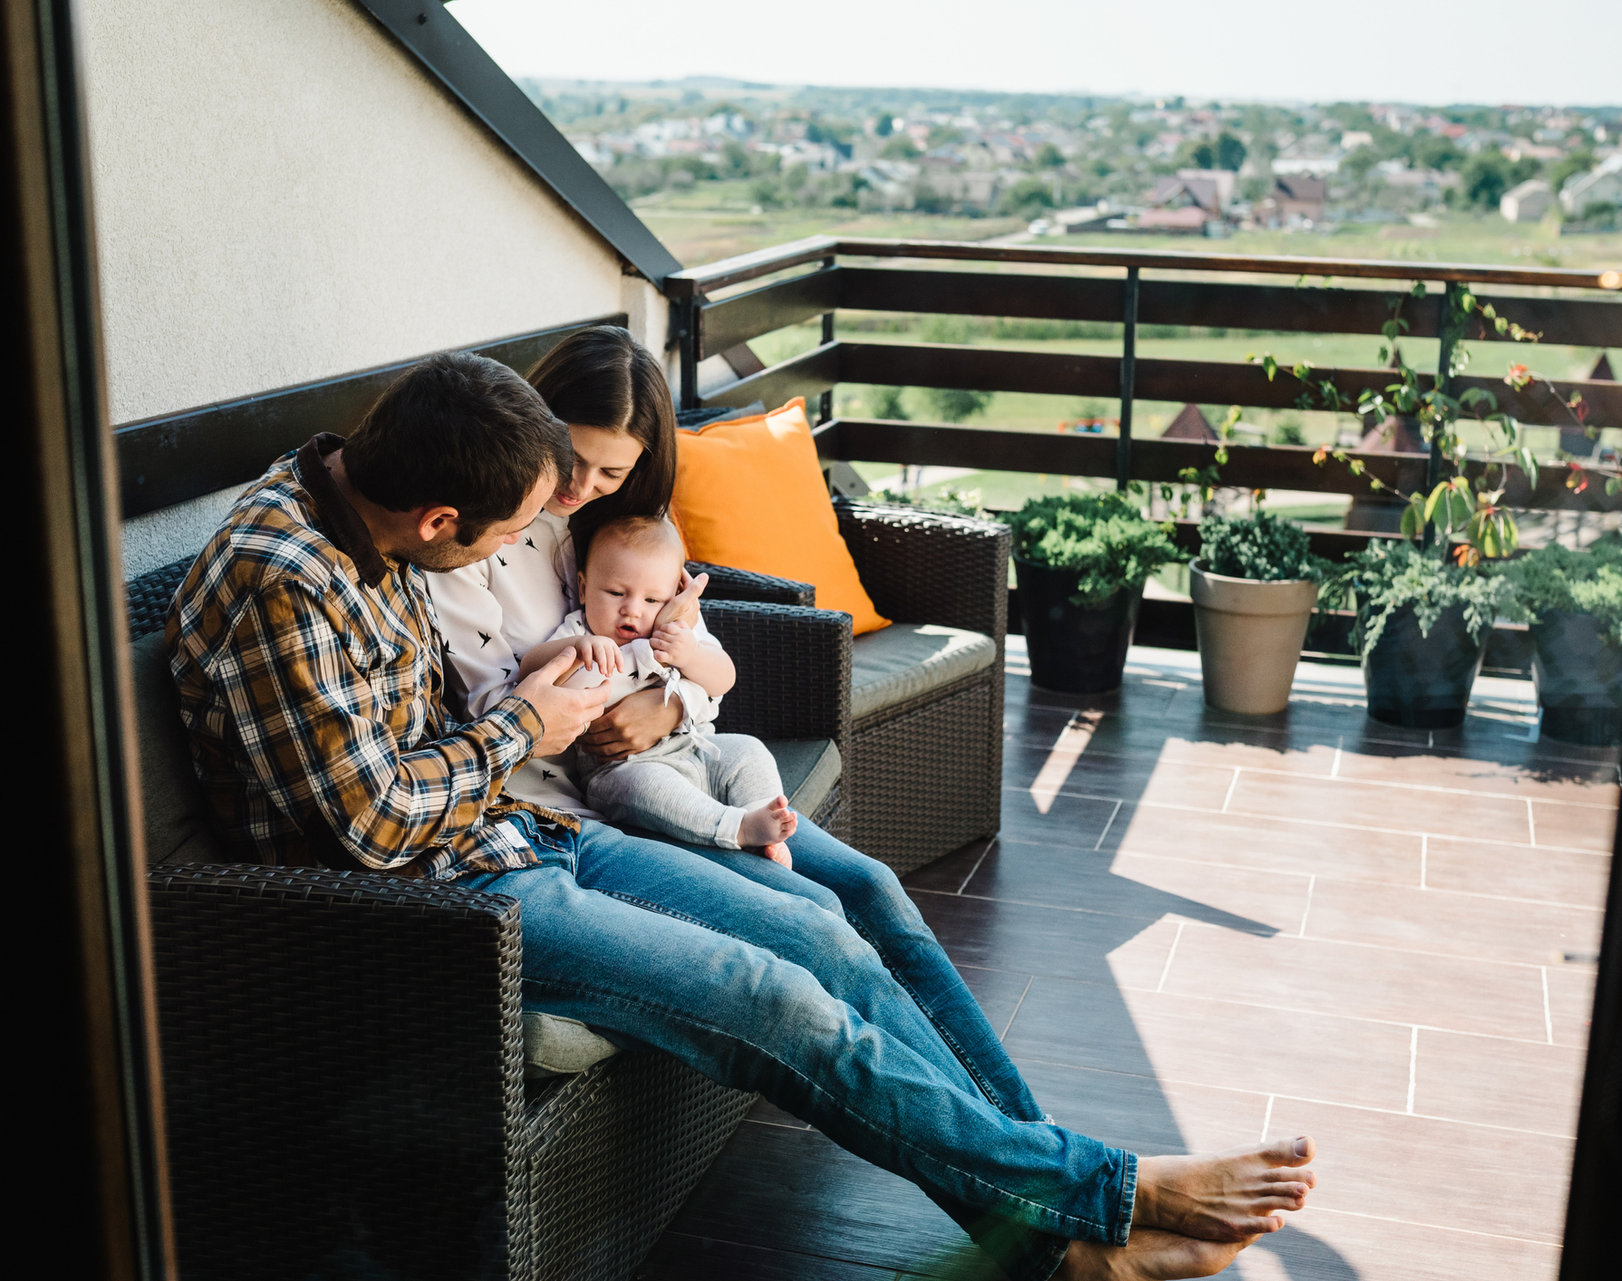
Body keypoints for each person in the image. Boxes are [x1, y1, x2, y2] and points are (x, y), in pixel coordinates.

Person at [170, 346, 1316, 1281]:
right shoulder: (287, 579)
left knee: (827, 927)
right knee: (778, 996)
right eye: (503, 527)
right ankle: (1100, 1193)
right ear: (436, 521)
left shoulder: (344, 483)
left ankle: (1061, 1241)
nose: (532, 537)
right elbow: (372, 825)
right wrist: (529, 723)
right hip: (446, 906)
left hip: (527, 833)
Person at [517, 513, 799, 864]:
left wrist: (691, 655)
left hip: (695, 748)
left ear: (673, 596)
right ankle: (736, 828)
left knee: (747, 750)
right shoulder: (579, 630)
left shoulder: (675, 630)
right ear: (585, 587)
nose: (632, 611)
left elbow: (724, 678)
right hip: (620, 768)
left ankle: (762, 819)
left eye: (652, 601)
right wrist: (576, 649)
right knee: (644, 787)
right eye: (616, 592)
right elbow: (529, 668)